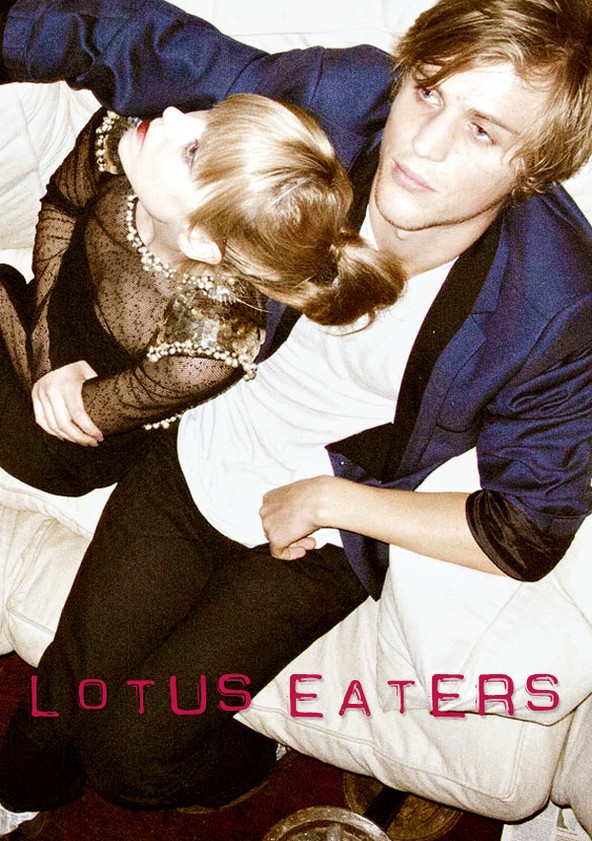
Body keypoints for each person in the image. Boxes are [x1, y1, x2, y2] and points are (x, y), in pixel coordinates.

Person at [0, 0, 590, 833]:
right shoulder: (339, 101)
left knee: (133, 756)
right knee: (57, 709)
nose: (422, 144)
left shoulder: (555, 303)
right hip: (195, 459)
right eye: (428, 91)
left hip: (318, 542)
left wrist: (330, 501)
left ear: (532, 169)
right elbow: (136, 42)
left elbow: (523, 532)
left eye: (483, 131)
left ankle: (260, 753)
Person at [0, 91, 401, 496]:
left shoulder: (211, 342)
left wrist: (49, 371)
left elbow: (74, 416)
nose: (172, 113)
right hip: (37, 320)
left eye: (192, 153)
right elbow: (62, 207)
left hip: (55, 438)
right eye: (212, 115)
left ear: (199, 240)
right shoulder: (126, 136)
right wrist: (48, 355)